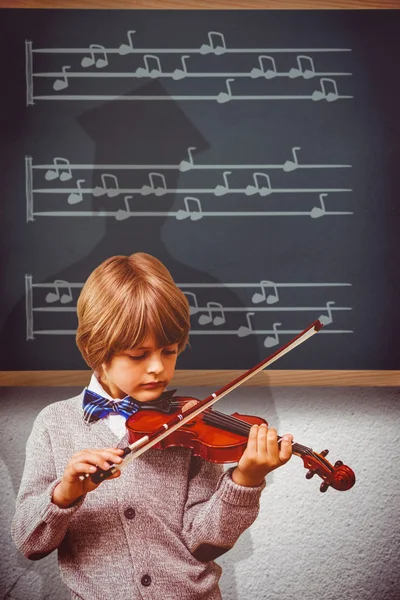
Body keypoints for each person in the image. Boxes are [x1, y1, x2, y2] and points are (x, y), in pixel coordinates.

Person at [11, 252, 293, 600]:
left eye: (169, 351)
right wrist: (64, 494)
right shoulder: (55, 425)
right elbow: (29, 542)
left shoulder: (188, 422)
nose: (158, 367)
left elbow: (204, 542)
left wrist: (244, 481)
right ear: (95, 348)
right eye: (138, 355)